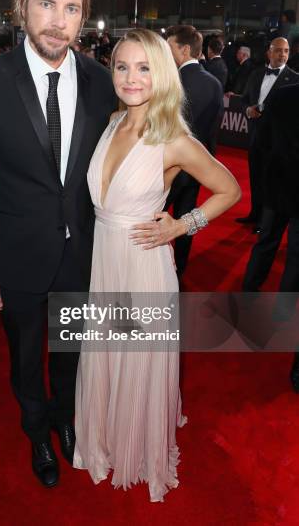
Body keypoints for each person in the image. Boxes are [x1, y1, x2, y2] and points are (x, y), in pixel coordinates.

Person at [0, 0, 116, 489]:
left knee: (70, 352)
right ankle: (35, 433)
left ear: (83, 15)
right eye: (47, 3)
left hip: (80, 255)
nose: (58, 21)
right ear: (22, 5)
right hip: (14, 256)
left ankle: (65, 420)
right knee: (25, 359)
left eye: (71, 9)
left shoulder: (99, 81)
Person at [73, 29, 241, 502]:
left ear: (162, 73)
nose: (131, 77)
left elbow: (230, 190)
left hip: (143, 265)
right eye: (122, 66)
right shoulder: (111, 121)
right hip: (105, 261)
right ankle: (104, 430)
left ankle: (136, 442)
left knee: (136, 357)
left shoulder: (174, 138)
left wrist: (181, 226)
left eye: (144, 67)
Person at [242, 84, 299, 390]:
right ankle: (281, 315)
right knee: (295, 259)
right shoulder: (283, 94)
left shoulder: (282, 94)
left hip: (278, 184)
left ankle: (248, 296)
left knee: (266, 243)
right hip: (286, 185)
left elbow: (262, 139)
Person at [164, 24, 223, 277]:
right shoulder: (215, 83)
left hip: (168, 168)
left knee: (151, 219)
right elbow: (213, 130)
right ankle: (180, 272)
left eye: (170, 48)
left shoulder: (171, 82)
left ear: (185, 49)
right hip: (198, 169)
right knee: (186, 223)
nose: (166, 54)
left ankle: (154, 271)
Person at [237, 38, 299, 231]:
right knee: (255, 178)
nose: (282, 54)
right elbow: (244, 99)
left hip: (279, 143)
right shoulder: (256, 74)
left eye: (286, 51)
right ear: (269, 53)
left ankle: (266, 222)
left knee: (272, 182)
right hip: (256, 137)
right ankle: (255, 215)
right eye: (278, 50)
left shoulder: (295, 79)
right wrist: (248, 110)